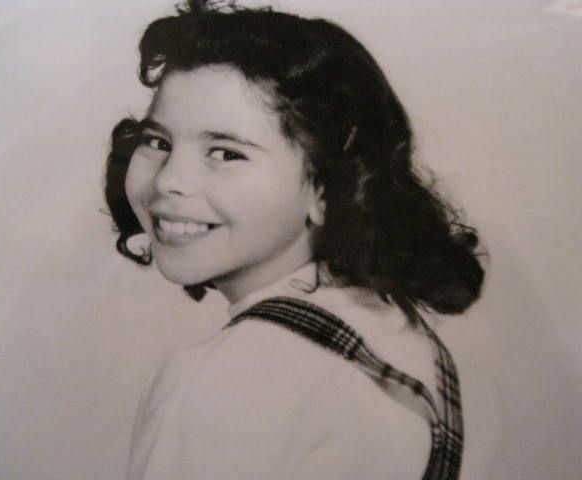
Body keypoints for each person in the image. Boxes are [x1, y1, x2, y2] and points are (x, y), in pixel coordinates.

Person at [104, 1, 485, 478]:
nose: (168, 181)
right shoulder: (393, 329)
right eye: (158, 142)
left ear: (326, 186)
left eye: (225, 152)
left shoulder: (221, 382)